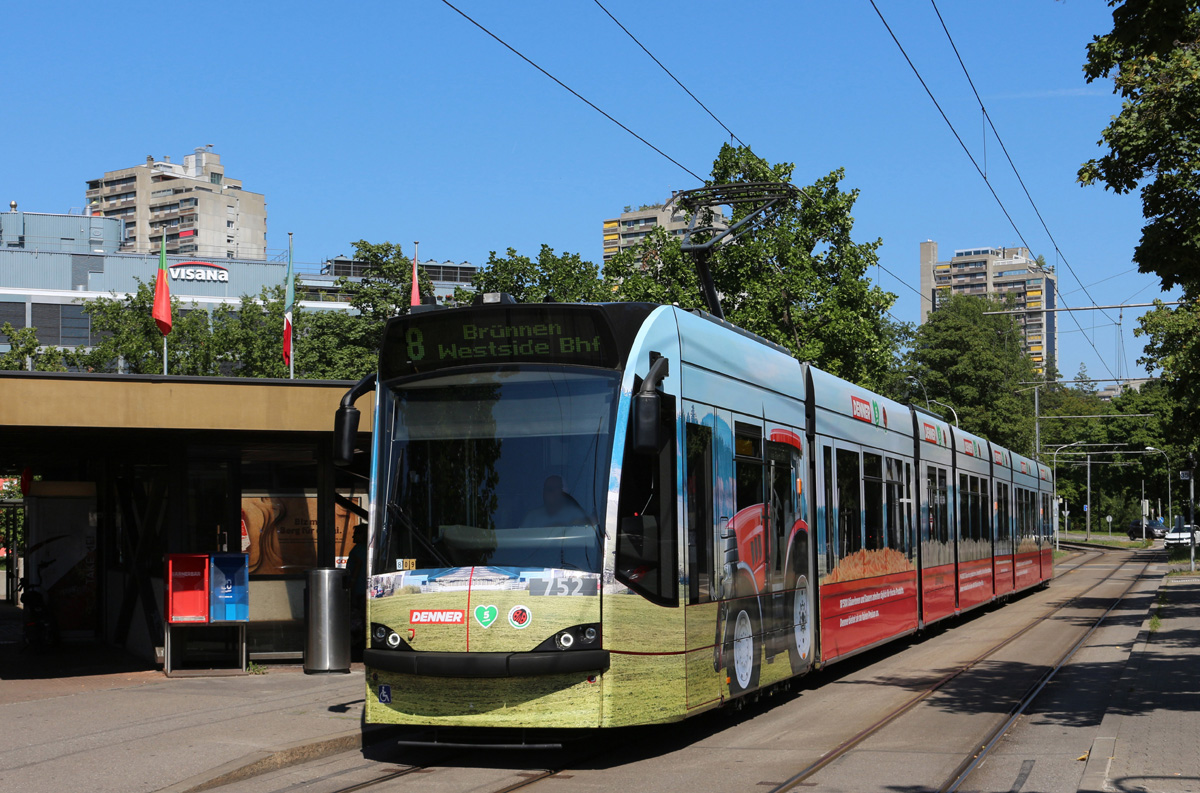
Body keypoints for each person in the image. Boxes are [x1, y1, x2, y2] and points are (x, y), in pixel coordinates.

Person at [521, 475, 590, 528]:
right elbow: (521, 542)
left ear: (562, 492)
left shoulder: (577, 514)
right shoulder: (532, 517)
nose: (551, 493)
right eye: (548, 489)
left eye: (555, 488)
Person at [345, 524, 368, 657]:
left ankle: (357, 643)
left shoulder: (358, 549)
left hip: (359, 588)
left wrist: (351, 584)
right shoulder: (370, 549)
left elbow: (357, 566)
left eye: (356, 533)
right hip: (365, 588)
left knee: (357, 616)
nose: (353, 536)